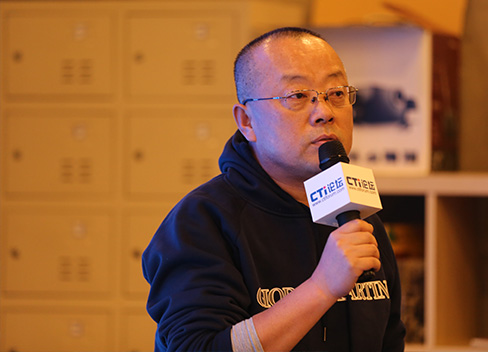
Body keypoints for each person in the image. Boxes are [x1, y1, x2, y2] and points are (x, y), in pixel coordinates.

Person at [142, 27, 406, 351]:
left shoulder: (357, 217)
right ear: (247, 122)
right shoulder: (202, 221)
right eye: (297, 96)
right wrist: (321, 288)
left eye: (336, 93)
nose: (324, 112)